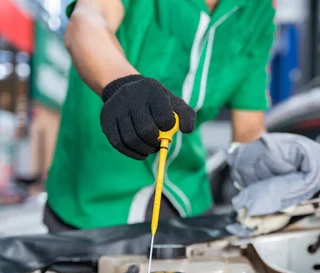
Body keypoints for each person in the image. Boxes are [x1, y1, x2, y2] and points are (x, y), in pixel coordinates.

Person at [44, 0, 279, 232]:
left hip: (188, 202)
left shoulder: (258, 9)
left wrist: (277, 160)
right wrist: (123, 84)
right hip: (92, 200)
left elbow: (248, 129)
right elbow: (88, 19)